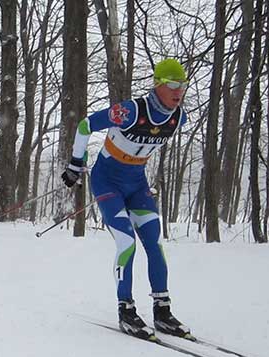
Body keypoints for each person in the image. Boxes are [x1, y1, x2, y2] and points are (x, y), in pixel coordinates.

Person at [61, 59, 192, 341]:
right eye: (172, 84)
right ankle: (126, 309)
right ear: (157, 84)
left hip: (137, 184)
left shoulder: (177, 117)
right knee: (126, 242)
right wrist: (75, 163)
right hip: (107, 181)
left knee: (154, 243)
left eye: (182, 84)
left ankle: (162, 310)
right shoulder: (131, 111)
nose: (178, 91)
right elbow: (86, 125)